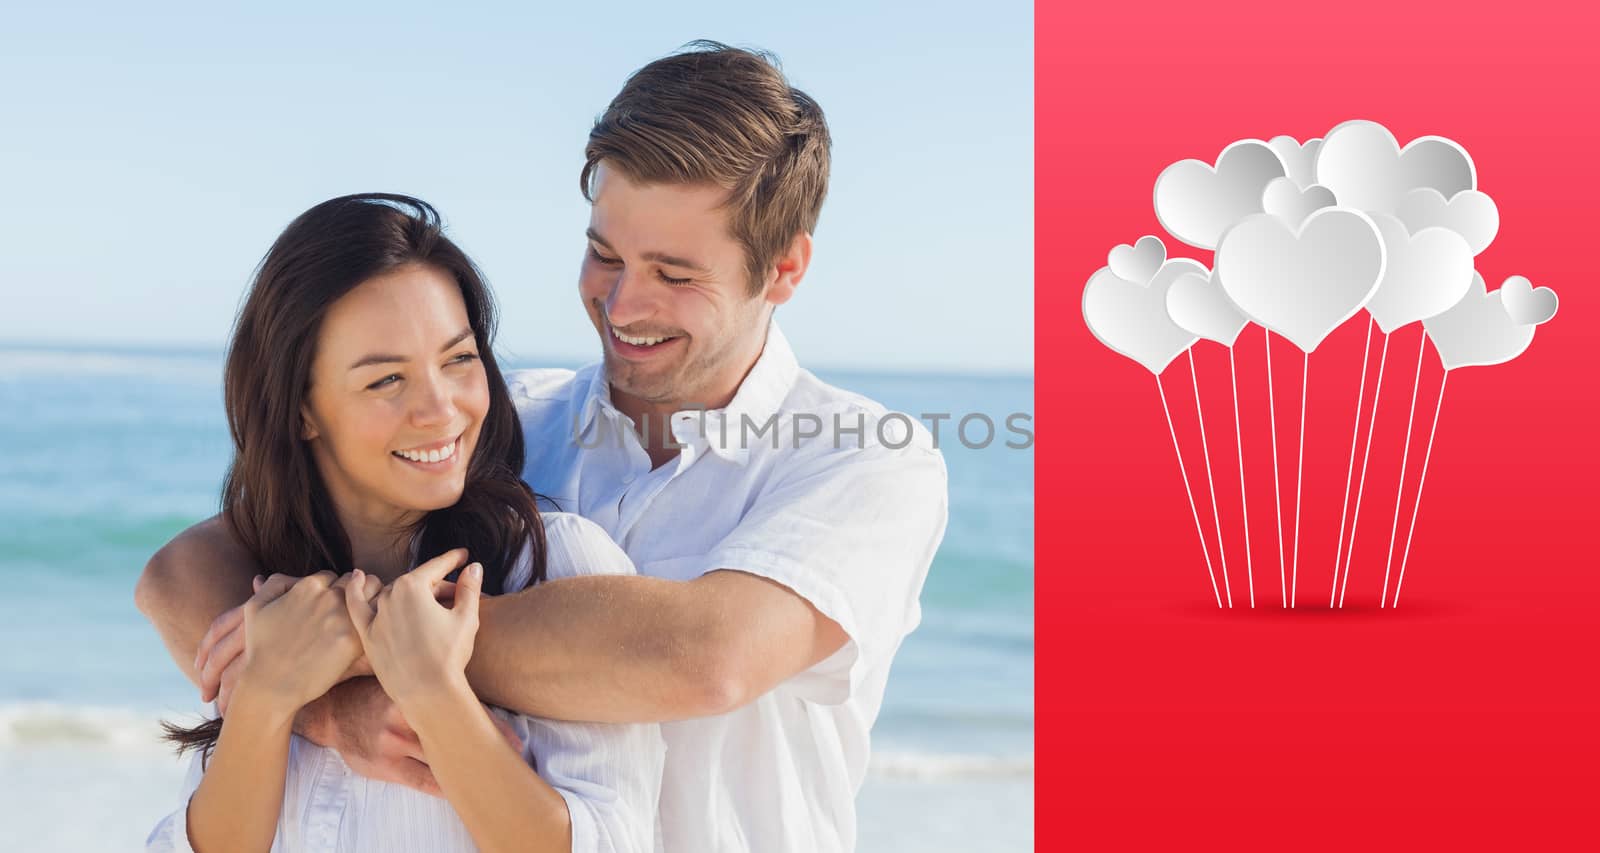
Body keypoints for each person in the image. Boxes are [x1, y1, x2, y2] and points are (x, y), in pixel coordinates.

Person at [138, 42, 947, 852]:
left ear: (784, 268)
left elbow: (705, 658)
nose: (623, 302)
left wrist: (356, 649)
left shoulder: (867, 462)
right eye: (605, 254)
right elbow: (184, 571)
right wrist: (311, 703)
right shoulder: (492, 425)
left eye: (674, 273)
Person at [143, 194, 663, 852]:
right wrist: (268, 699)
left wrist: (433, 689)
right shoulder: (267, 602)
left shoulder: (554, 564)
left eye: (459, 359)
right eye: (387, 379)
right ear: (302, 408)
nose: (440, 409)